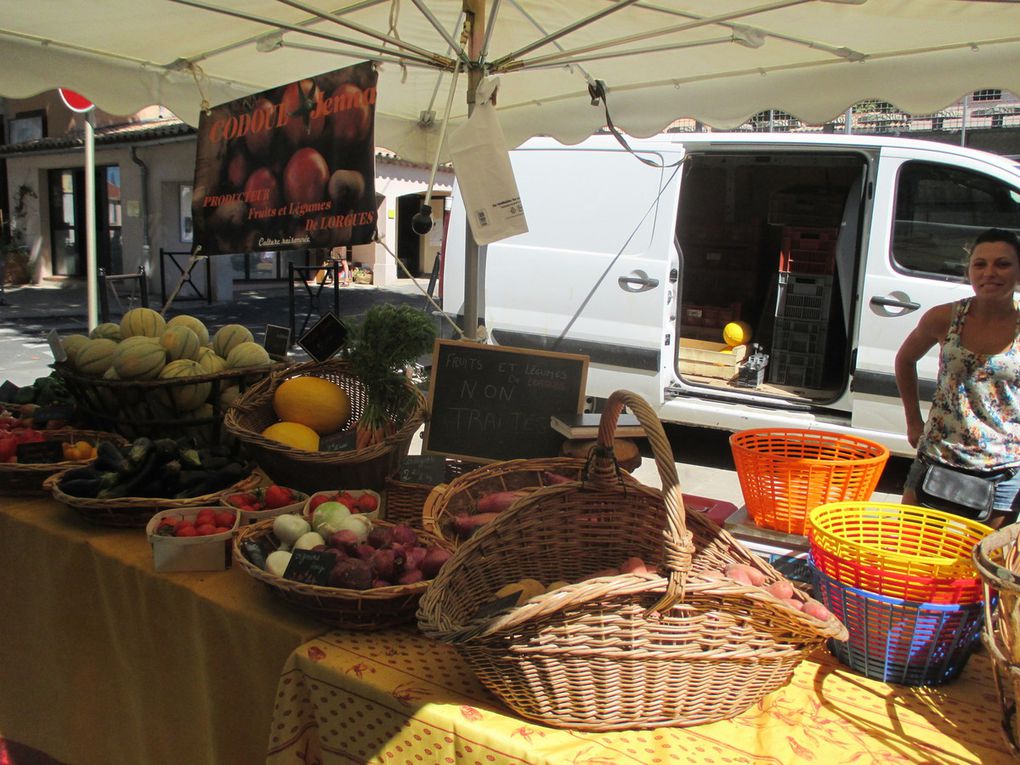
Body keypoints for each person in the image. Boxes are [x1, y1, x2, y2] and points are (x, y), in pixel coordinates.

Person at [895, 227, 1020, 526]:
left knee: (980, 564)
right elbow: (905, 359)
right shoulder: (945, 318)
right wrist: (914, 421)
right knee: (907, 551)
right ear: (969, 271)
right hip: (937, 456)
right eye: (980, 264)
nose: (990, 272)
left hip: (1003, 470)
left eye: (1002, 264)